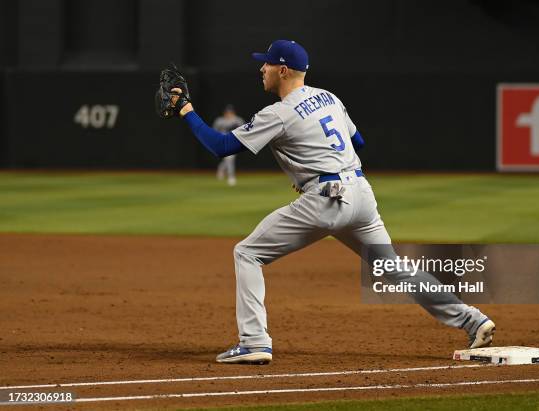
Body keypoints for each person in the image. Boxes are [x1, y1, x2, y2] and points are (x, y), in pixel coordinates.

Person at [171, 40, 496, 365]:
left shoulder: (280, 112)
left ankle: (254, 341)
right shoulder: (329, 97)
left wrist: (186, 109)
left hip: (326, 199)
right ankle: (472, 320)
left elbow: (221, 146)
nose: (262, 69)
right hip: (360, 194)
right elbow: (358, 140)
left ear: (282, 70)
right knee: (393, 268)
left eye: (267, 64)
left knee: (247, 253)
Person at [213, 105, 244, 186]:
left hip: (234, 142)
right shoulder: (219, 121)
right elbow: (214, 132)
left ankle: (221, 169)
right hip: (223, 142)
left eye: (230, 112)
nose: (228, 114)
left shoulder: (238, 120)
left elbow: (244, 130)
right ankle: (231, 177)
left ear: (233, 112)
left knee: (229, 159)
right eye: (227, 112)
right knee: (229, 159)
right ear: (224, 113)